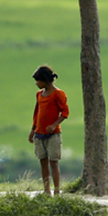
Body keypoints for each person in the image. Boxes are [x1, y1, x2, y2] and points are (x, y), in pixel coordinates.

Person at [28, 64, 69, 195]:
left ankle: (57, 189)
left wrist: (54, 124)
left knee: (54, 162)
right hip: (39, 133)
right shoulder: (39, 94)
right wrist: (33, 129)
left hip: (53, 134)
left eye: (37, 81)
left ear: (44, 80)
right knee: (43, 162)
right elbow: (37, 113)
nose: (36, 83)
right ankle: (46, 189)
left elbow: (65, 112)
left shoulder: (58, 94)